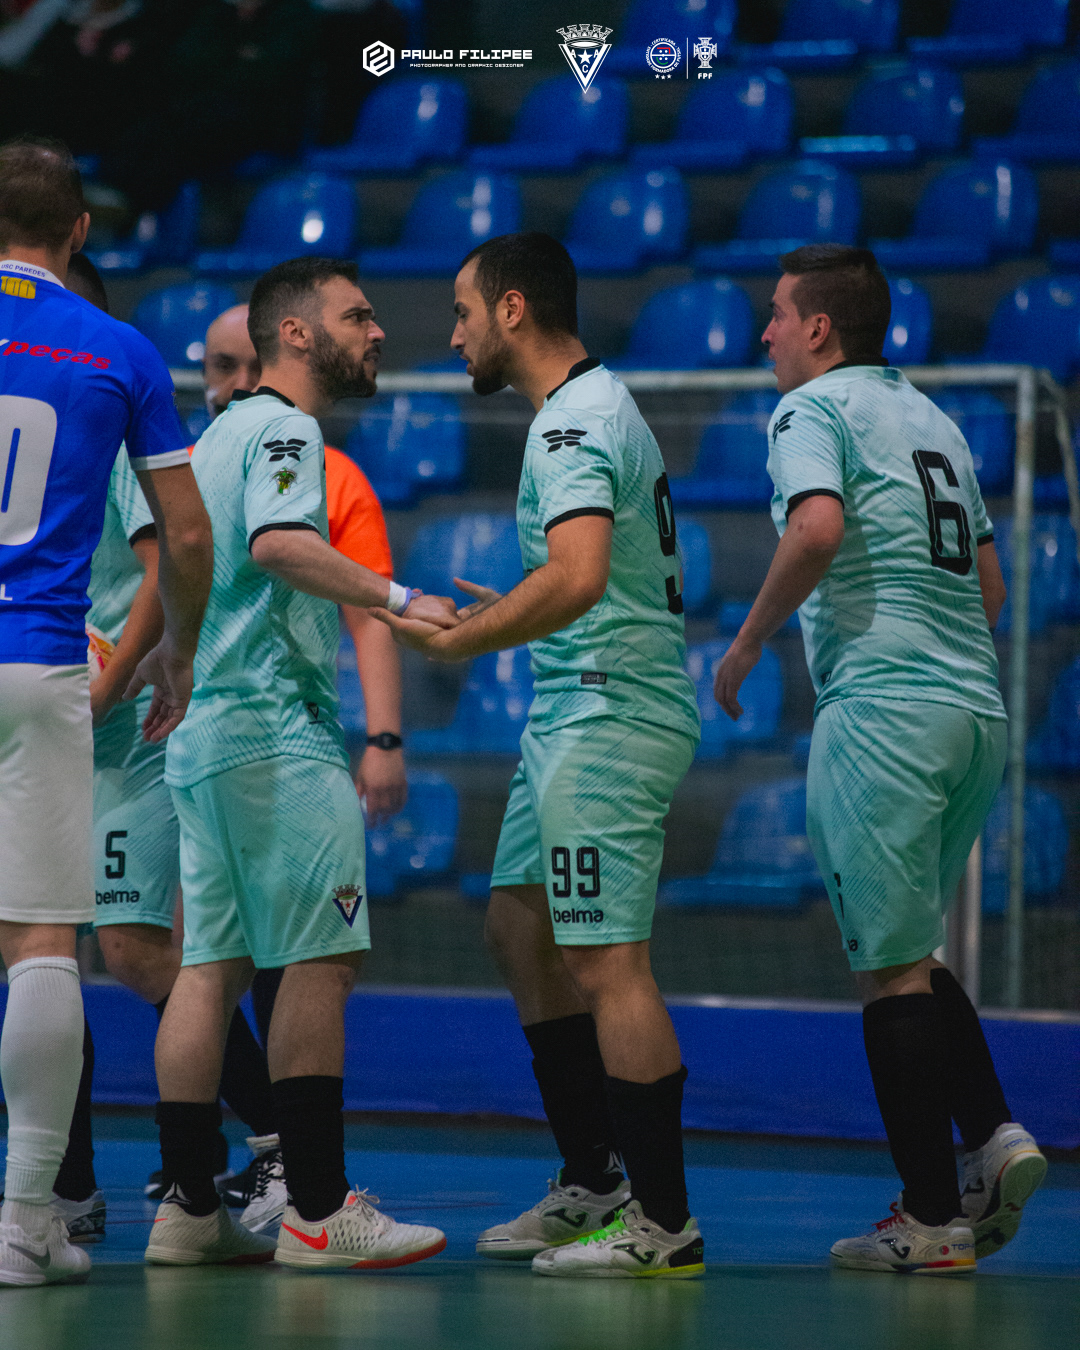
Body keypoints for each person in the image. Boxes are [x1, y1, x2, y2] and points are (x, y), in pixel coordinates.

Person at [712, 243, 1047, 1274]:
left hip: (883, 716)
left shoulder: (809, 411)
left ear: (819, 328)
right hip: (973, 714)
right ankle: (994, 1137)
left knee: (888, 969)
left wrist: (749, 642)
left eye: (777, 313)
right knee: (913, 951)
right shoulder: (933, 418)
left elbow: (816, 528)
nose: (765, 332)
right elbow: (991, 588)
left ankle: (932, 1218)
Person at [377, 232, 705, 1279]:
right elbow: (574, 580)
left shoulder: (570, 422)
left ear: (513, 309)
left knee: (607, 963)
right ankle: (595, 1181)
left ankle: (663, 1223)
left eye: (464, 310)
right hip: (576, 707)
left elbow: (577, 576)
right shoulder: (588, 408)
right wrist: (515, 611)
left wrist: (463, 640)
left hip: (607, 716)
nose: (455, 333)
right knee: (519, 931)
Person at [146, 255, 453, 1270]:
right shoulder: (286, 430)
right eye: (357, 316)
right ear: (295, 333)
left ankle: (188, 1210)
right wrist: (399, 598)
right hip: (277, 735)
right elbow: (280, 545)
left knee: (207, 971)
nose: (377, 331)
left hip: (205, 738)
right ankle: (319, 1211)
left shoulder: (212, 441)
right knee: (321, 961)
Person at [0, 137, 212, 1287]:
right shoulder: (116, 348)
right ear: (80, 231)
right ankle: (27, 1219)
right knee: (43, 944)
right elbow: (187, 532)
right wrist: (175, 649)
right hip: (40, 668)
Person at [49, 255, 282, 1243]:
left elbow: (167, 568)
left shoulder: (113, 437)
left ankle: (275, 1140)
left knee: (136, 950)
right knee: (38, 958)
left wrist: (114, 682)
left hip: (124, 734)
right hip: (43, 735)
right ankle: (66, 1187)